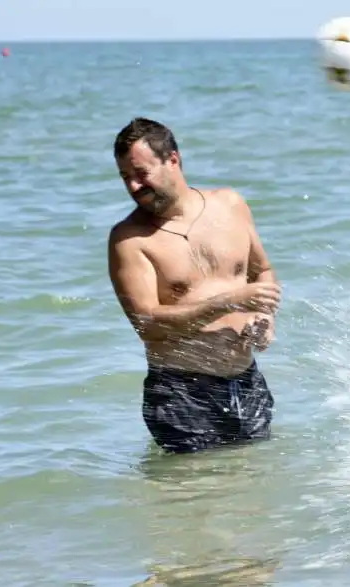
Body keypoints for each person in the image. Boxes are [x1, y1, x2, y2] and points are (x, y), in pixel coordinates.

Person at [107, 117, 282, 454]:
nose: (133, 187)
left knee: (255, 498)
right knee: (194, 502)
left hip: (247, 383)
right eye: (125, 177)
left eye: (141, 174)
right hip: (182, 395)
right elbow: (148, 324)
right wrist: (228, 302)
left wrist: (264, 319)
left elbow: (263, 272)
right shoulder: (129, 240)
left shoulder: (230, 205)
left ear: (173, 160)